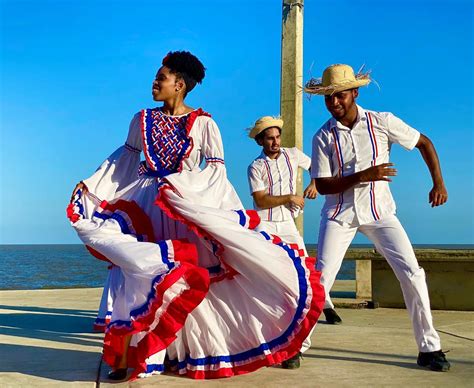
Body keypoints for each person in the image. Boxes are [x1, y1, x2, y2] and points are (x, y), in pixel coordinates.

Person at [67, 51, 325, 381]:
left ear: (180, 85)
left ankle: (185, 351)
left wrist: (186, 192)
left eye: (161, 78)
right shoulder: (140, 120)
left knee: (194, 275)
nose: (155, 82)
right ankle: (137, 355)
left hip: (181, 204)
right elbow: (124, 161)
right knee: (142, 270)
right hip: (147, 207)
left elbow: (216, 172)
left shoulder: (204, 124)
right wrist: (92, 184)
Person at [305, 63, 450, 372]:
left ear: (355, 93)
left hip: (380, 213)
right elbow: (322, 184)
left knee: (412, 273)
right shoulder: (323, 136)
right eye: (328, 98)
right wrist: (363, 175)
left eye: (339, 96)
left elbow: (424, 142)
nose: (334, 103)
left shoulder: (381, 122)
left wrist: (438, 182)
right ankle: (297, 345)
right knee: (321, 281)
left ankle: (430, 348)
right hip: (338, 215)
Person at [247, 115, 318, 369]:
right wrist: (290, 196)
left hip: (288, 226)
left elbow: (318, 165)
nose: (276, 142)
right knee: (267, 284)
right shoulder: (255, 167)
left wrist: (314, 185)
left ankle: (297, 345)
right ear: (261, 141)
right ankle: (268, 340)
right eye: (270, 138)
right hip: (264, 226)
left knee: (305, 280)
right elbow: (261, 201)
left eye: (277, 136)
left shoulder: (293, 154)